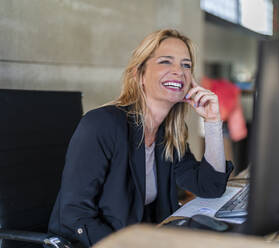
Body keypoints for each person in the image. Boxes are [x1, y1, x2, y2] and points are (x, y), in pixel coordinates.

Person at [47, 29, 233, 247]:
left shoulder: (170, 132)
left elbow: (210, 187)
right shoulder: (102, 124)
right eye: (166, 62)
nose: (179, 71)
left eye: (186, 65)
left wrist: (212, 122)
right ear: (139, 75)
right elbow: (74, 215)